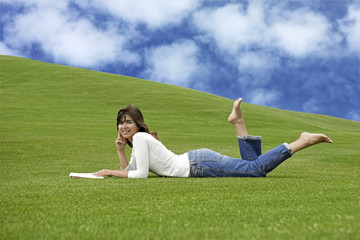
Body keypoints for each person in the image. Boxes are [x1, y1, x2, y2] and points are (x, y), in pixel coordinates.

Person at [94, 98, 332, 178]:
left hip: (199, 164)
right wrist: (119, 151)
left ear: (138, 125)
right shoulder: (137, 144)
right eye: (121, 122)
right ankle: (238, 122)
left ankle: (302, 141)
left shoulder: (142, 139)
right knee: (252, 166)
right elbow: (131, 170)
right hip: (197, 162)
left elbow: (139, 176)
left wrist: (107, 172)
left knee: (256, 170)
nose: (123, 126)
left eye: (128, 122)